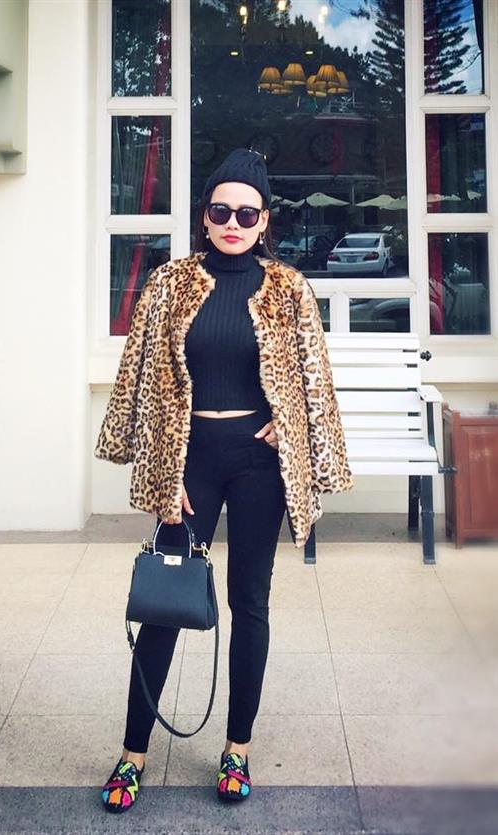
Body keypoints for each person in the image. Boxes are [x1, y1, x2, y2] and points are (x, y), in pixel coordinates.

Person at [95, 148, 353, 813]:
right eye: (221, 211)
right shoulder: (168, 283)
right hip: (190, 460)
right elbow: (143, 378)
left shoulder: (288, 287)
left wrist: (287, 426)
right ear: (204, 217)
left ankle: (237, 747)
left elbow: (313, 378)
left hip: (257, 463)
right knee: (164, 603)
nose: (233, 223)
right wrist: (163, 469)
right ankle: (132, 753)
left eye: (246, 213)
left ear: (264, 220)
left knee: (251, 602)